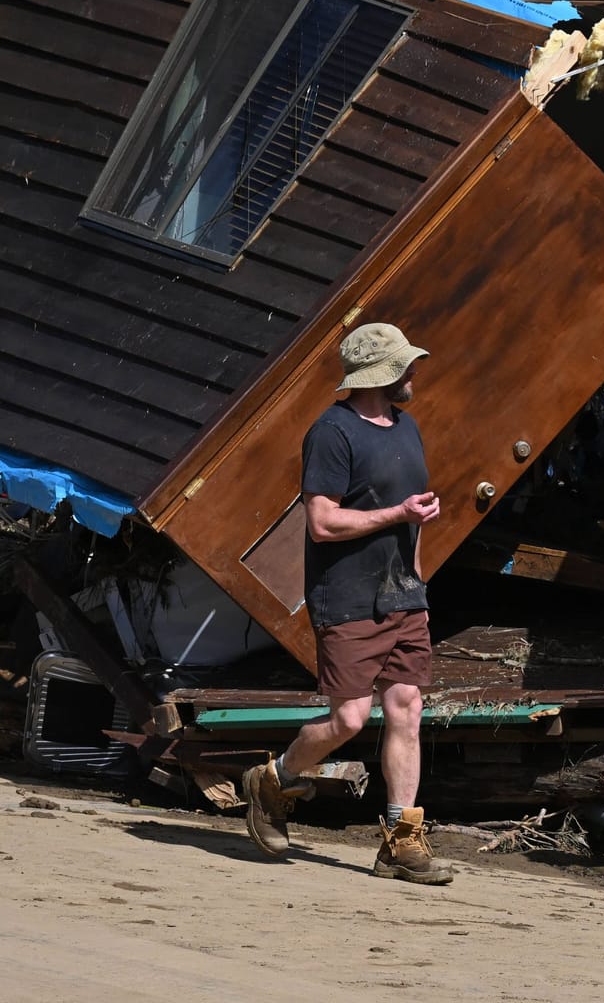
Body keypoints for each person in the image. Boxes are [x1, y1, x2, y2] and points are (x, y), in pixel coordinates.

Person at [240, 322, 453, 885]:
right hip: (350, 597)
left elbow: (417, 517)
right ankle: (273, 778)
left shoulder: (407, 428)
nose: (415, 373)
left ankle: (401, 843)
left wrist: (419, 585)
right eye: (407, 365)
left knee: (407, 707)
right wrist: (398, 515)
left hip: (404, 597)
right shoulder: (332, 433)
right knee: (349, 718)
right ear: (381, 374)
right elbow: (323, 522)